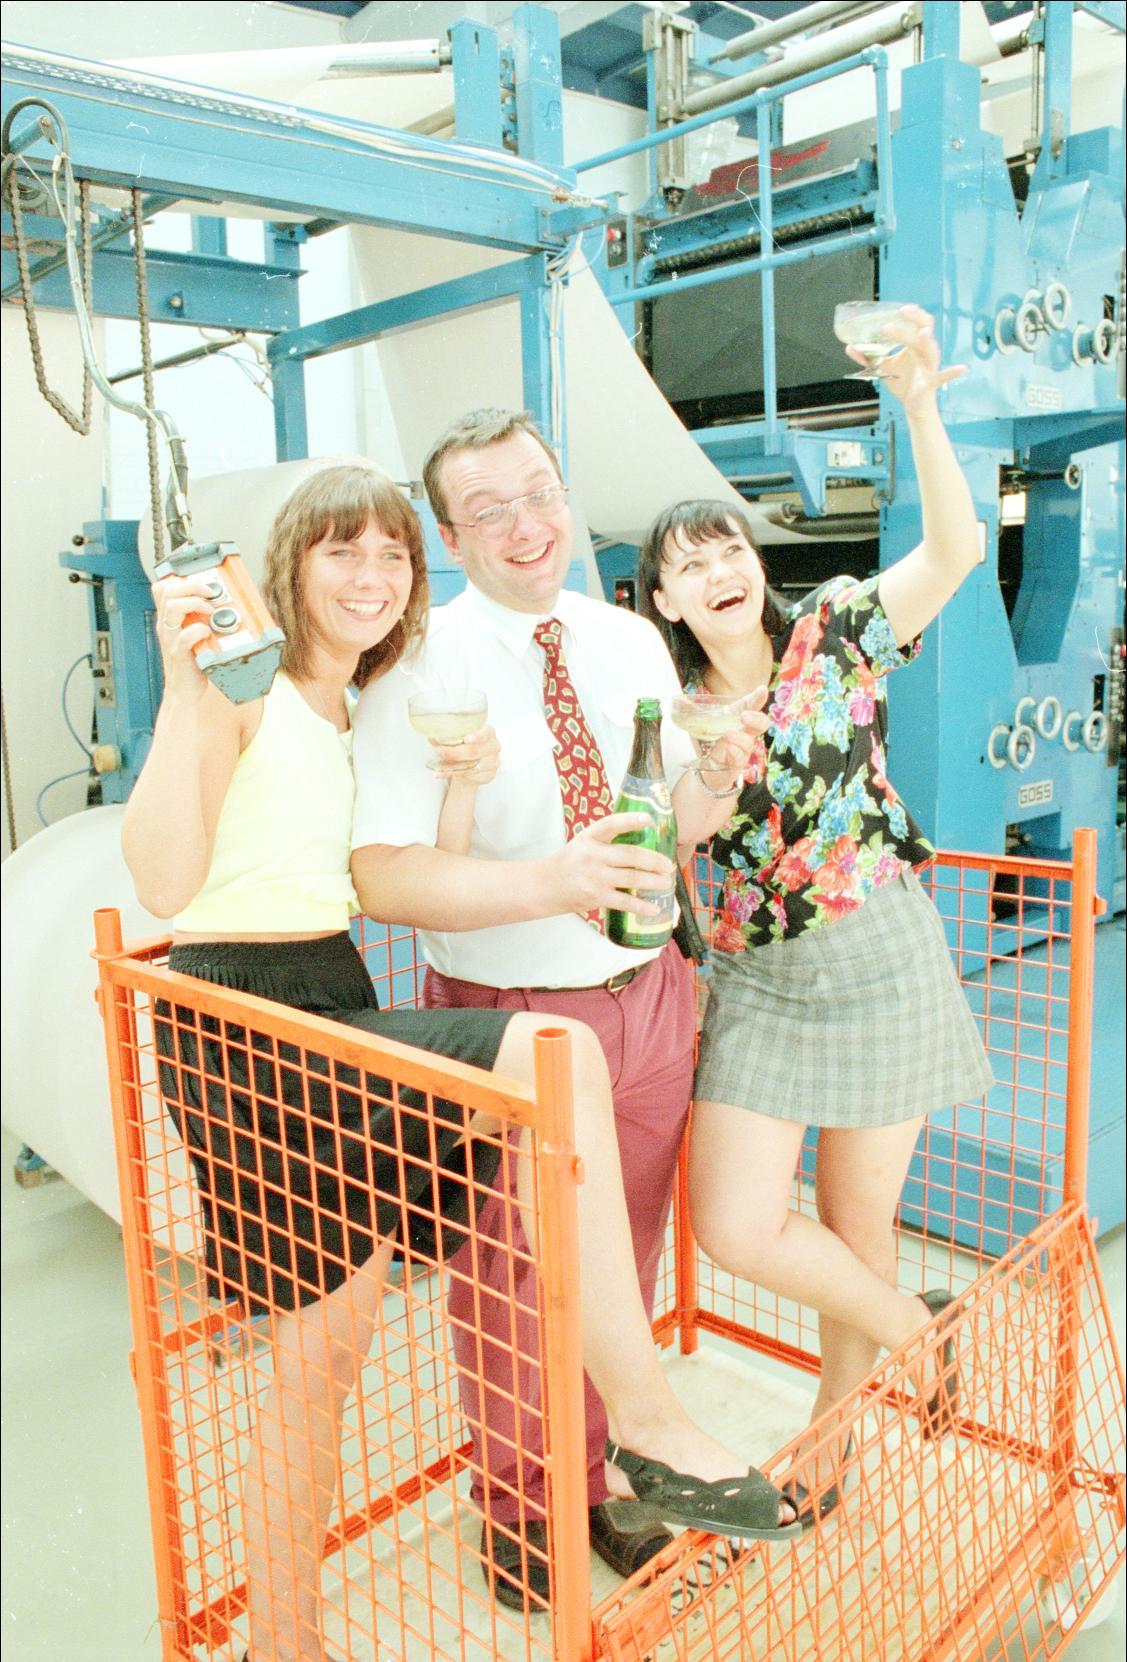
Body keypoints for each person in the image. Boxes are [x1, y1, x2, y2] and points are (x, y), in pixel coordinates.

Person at [122, 463, 796, 1662]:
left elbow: (344, 869)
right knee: (549, 1055)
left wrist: (459, 795)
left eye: (390, 556)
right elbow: (166, 881)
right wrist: (184, 689)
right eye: (342, 551)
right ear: (288, 566)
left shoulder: (343, 706)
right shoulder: (238, 693)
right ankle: (645, 1421)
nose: (371, 576)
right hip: (244, 1018)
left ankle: (284, 1643)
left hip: (330, 991)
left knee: (317, 1366)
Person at [349, 409, 797, 1610]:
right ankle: (520, 1504)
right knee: (509, 1274)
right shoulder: (413, 666)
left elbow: (674, 829)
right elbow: (382, 877)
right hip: (511, 1015)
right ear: (448, 537)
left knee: (621, 1256)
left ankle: (604, 1472)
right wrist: (550, 882)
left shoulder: (626, 640)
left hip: (649, 994)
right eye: (486, 508)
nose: (525, 524)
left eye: (538, 491)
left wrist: (717, 778)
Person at [636, 306, 995, 1526]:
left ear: (752, 559)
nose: (715, 569)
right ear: (665, 600)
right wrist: (711, 766)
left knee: (852, 1222)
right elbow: (675, 834)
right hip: (760, 982)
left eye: (725, 545)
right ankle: (914, 1331)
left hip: (879, 953)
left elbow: (953, 551)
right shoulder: (671, 710)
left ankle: (828, 1451)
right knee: (736, 1224)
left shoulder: (833, 632)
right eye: (686, 564)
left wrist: (919, 407)